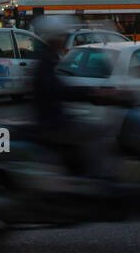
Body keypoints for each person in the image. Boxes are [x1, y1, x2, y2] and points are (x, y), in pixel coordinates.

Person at [31, 20, 119, 178]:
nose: (65, 40)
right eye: (62, 37)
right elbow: (58, 90)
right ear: (54, 39)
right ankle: (96, 178)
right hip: (52, 125)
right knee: (95, 132)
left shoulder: (48, 59)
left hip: (54, 121)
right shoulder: (45, 61)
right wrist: (91, 93)